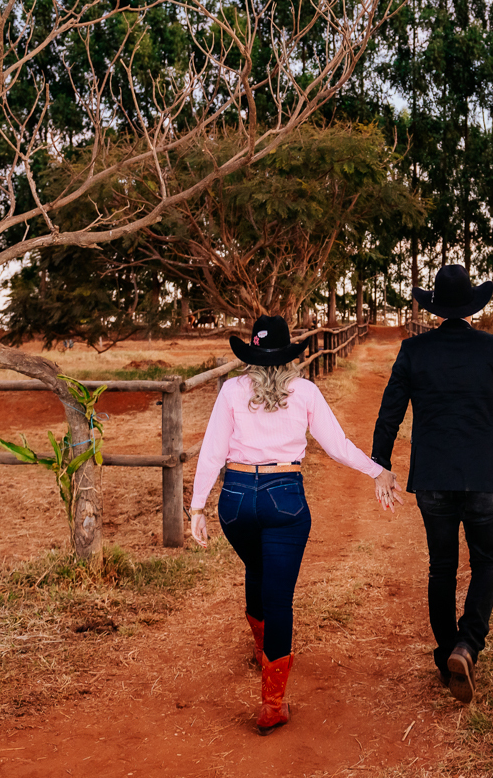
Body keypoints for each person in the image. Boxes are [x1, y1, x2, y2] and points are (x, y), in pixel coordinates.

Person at [189, 314, 400, 735]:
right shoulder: (304, 391)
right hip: (283, 496)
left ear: (251, 355)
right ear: (288, 356)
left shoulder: (232, 390)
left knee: (256, 567)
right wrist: (377, 470)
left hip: (235, 500)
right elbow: (337, 446)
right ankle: (272, 705)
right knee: (279, 599)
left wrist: (197, 508)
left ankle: (260, 646)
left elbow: (212, 451)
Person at [371, 264, 493, 704]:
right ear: (471, 308)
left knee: (441, 567)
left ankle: (448, 651)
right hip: (486, 477)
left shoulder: (413, 351)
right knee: (486, 564)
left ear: (435, 310)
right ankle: (467, 645)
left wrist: (381, 465)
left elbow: (390, 411)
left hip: (433, 479)